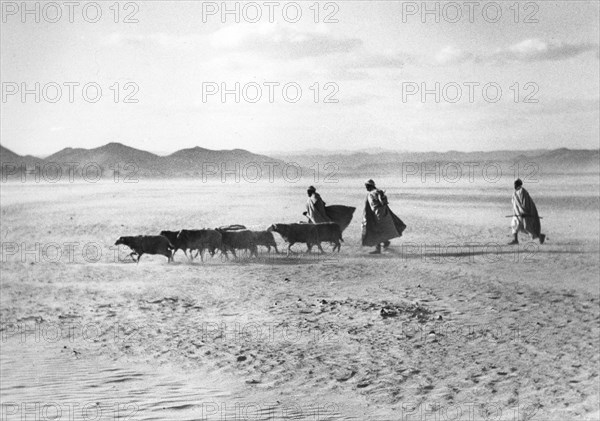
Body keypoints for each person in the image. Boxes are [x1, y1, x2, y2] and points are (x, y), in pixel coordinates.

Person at [362, 179, 406, 254]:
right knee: (378, 230)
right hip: (380, 213)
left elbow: (382, 202)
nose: (366, 188)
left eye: (367, 186)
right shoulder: (377, 192)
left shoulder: (374, 192)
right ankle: (384, 243)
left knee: (376, 230)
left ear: (370, 186)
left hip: (378, 214)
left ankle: (379, 248)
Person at [509, 179, 545, 245]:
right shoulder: (515, 193)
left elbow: (525, 203)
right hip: (517, 213)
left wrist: (524, 212)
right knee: (514, 225)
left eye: (516, 184)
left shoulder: (522, 191)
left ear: (519, 184)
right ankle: (515, 240)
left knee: (527, 227)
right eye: (514, 184)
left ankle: (540, 236)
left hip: (525, 213)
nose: (514, 185)